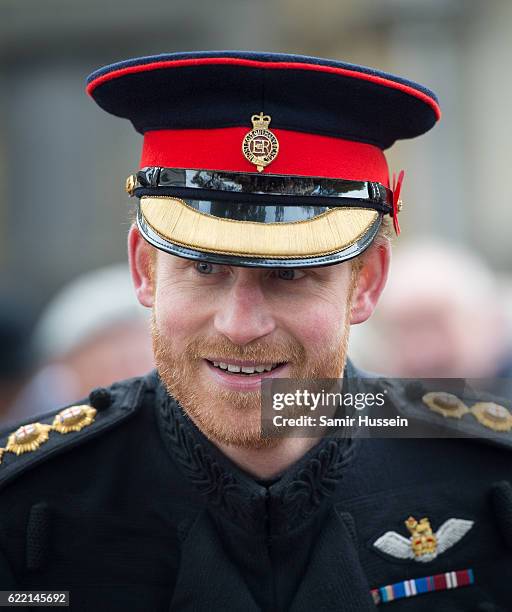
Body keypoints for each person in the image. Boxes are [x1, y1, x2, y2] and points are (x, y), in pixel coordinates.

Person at [0, 52, 510, 611]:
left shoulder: (487, 477)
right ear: (145, 269)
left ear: (365, 284)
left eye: (289, 275)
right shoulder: (27, 502)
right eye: (204, 269)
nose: (240, 326)